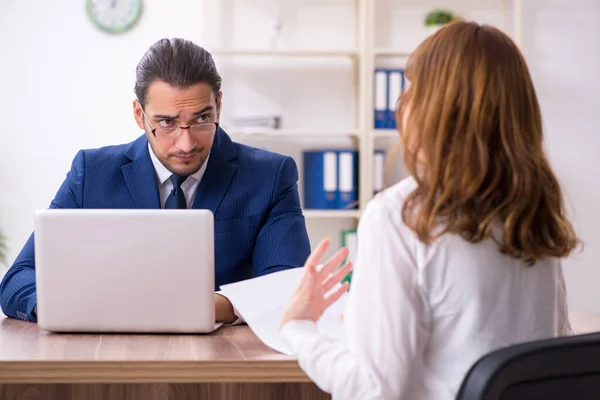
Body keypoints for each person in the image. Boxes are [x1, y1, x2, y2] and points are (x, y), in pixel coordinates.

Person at [279, 21, 579, 400]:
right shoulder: (535, 216)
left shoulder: (399, 217)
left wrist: (297, 328)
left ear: (432, 109)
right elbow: (552, 347)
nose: (402, 103)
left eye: (412, 89)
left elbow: (377, 391)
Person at [0, 38, 311, 324]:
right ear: (139, 115)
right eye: (167, 123)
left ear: (219, 104)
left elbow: (287, 287)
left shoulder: (270, 175)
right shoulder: (91, 173)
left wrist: (214, 306)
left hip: (225, 365)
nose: (186, 144)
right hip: (106, 359)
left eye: (202, 119)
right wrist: (70, 306)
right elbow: (18, 279)